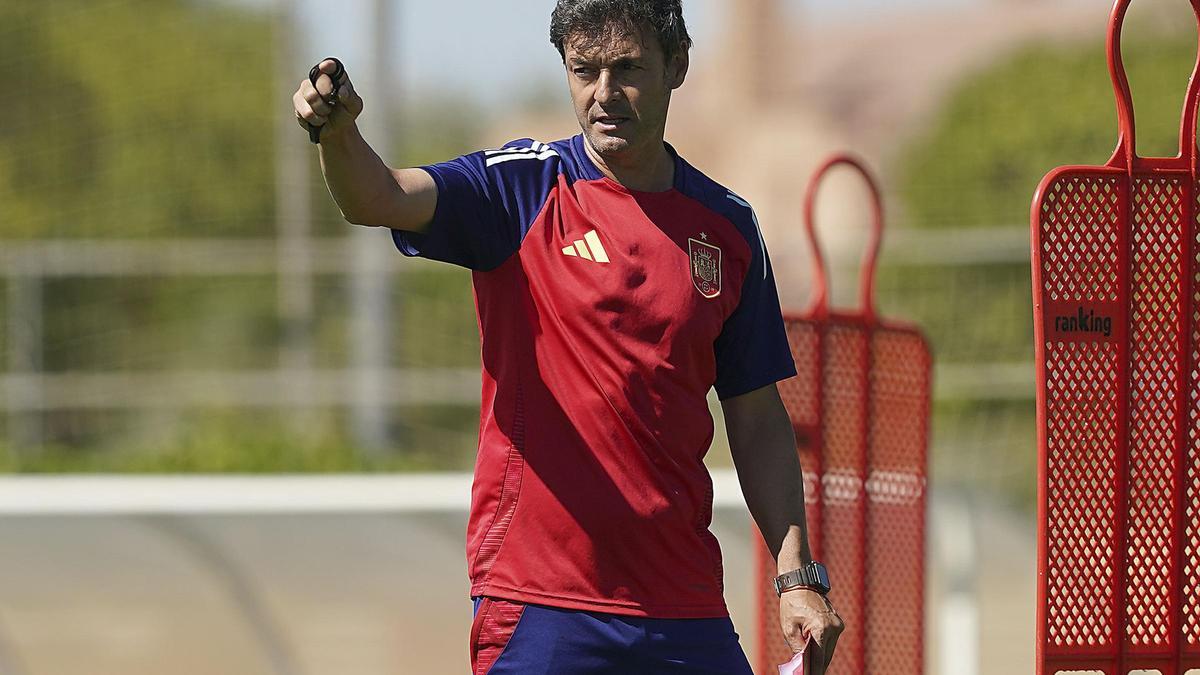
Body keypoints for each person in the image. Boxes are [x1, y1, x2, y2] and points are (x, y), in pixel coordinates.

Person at [292, 1, 843, 672]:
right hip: (542, 606)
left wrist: (797, 577)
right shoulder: (519, 189)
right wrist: (336, 131)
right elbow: (376, 197)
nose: (603, 94)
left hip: (685, 608)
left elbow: (756, 418)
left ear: (678, 65)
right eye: (583, 70)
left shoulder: (726, 227)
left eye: (627, 68)